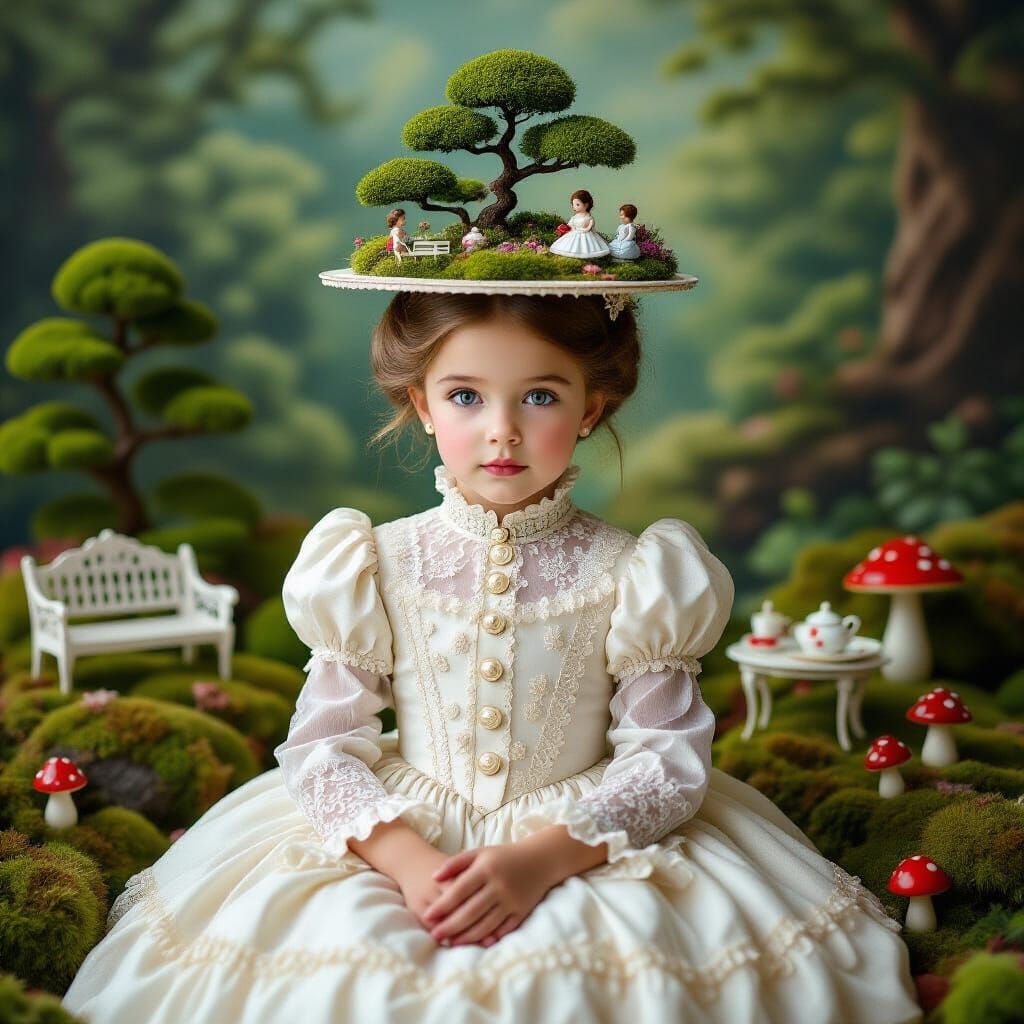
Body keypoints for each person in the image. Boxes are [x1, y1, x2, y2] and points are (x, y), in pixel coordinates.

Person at [63, 289, 921, 1024]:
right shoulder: (373, 560)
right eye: (466, 396)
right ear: (421, 404)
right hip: (397, 827)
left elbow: (666, 757)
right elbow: (323, 746)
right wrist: (409, 864)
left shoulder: (636, 570)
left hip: (586, 830)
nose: (502, 431)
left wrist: (543, 858)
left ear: (592, 408)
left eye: (540, 396)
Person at [548, 189, 611, 259]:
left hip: (586, 234)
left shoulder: (589, 217)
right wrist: (566, 228)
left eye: (577, 204)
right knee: (570, 245)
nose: (574, 207)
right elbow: (570, 224)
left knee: (586, 246)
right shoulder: (575, 216)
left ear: (586, 205)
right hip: (574, 232)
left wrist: (583, 230)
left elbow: (589, 227)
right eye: (573, 204)